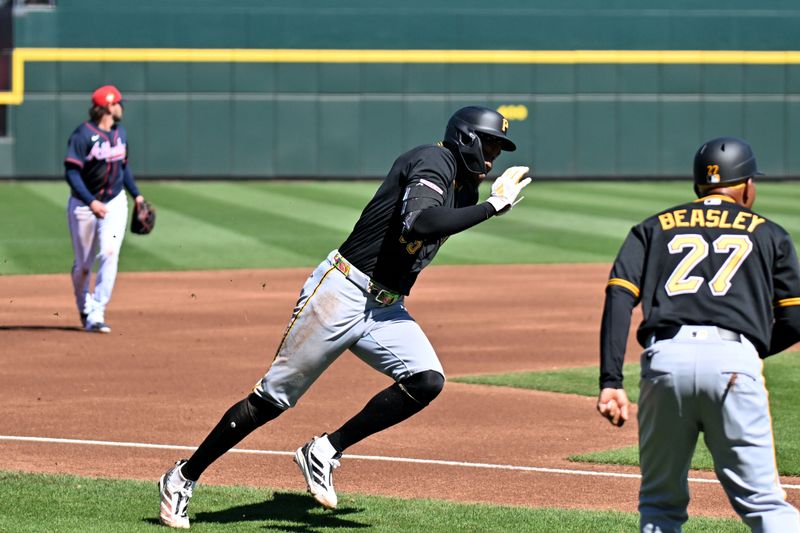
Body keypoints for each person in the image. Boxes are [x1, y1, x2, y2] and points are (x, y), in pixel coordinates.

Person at [157, 106, 532, 529]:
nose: (493, 156)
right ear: (465, 138)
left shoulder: (464, 190)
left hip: (387, 307)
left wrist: (484, 203)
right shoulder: (433, 160)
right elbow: (420, 221)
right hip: (342, 292)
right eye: (490, 144)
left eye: (499, 148)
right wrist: (493, 207)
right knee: (271, 401)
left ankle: (324, 450)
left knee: (426, 379)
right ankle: (182, 477)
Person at [597, 136, 800, 532]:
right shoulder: (769, 233)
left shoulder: (652, 227)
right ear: (745, 186)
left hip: (665, 360)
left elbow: (619, 297)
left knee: (659, 505)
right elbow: (794, 320)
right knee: (765, 505)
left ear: (698, 185)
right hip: (734, 360)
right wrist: (749, 353)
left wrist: (611, 381)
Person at [64, 84, 145, 333]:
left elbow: (123, 168)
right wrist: (91, 202)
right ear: (108, 106)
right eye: (118, 103)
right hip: (84, 205)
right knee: (84, 266)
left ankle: (97, 311)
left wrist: (137, 196)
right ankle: (84, 305)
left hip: (114, 201)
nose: (121, 107)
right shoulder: (82, 135)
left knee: (110, 253)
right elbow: (71, 172)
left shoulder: (120, 133)